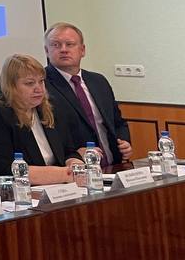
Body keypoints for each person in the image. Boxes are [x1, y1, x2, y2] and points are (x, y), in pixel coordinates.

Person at [0, 53, 82, 190]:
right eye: (29, 83)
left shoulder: (48, 107)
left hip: (55, 187)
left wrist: (74, 163)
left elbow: (68, 150)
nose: (39, 88)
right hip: (6, 193)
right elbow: (5, 169)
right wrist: (65, 174)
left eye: (41, 81)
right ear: (10, 86)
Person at [43, 21, 133, 165]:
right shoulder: (41, 85)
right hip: (74, 168)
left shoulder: (98, 81)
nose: (63, 50)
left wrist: (125, 142)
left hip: (113, 165)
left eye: (69, 44)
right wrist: (74, 155)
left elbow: (118, 122)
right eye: (56, 45)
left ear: (82, 50)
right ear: (47, 51)